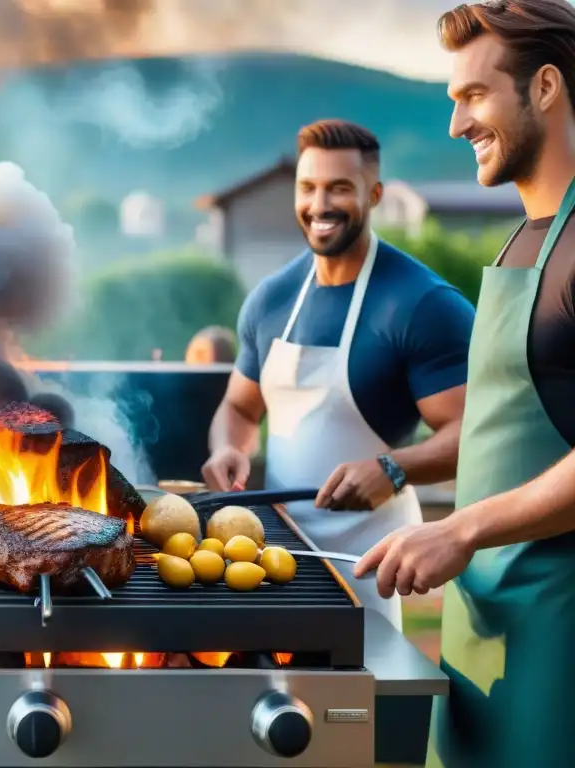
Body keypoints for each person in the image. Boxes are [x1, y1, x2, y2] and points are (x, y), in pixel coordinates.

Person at [353, 1, 575, 765]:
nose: (455, 124)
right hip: (480, 629)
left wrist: (463, 528)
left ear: (545, 87)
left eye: (474, 96)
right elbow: (501, 430)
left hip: (559, 640)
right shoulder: (521, 240)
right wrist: (396, 470)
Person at [201, 120, 474, 630]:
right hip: (273, 561)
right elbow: (240, 408)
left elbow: (474, 432)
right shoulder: (272, 297)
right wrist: (229, 447)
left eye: (339, 188)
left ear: (374, 194)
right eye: (308, 188)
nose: (319, 204)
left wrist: (392, 469)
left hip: (367, 566)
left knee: (354, 706)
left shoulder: (422, 304)